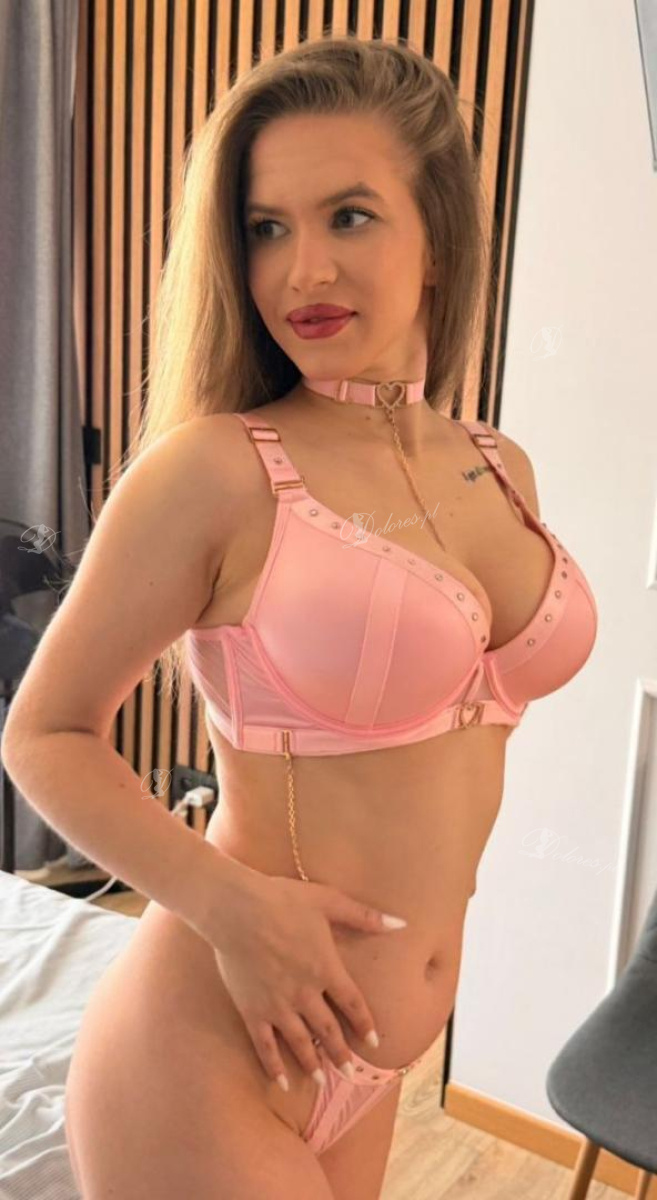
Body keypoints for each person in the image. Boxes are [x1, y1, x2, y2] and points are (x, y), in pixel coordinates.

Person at [3, 35, 598, 1200]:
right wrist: (231, 910)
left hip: (364, 1057)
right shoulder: (216, 473)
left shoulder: (499, 465)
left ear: (437, 236)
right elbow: (43, 734)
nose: (302, 270)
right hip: (210, 1049)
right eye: (267, 227)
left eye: (350, 216)